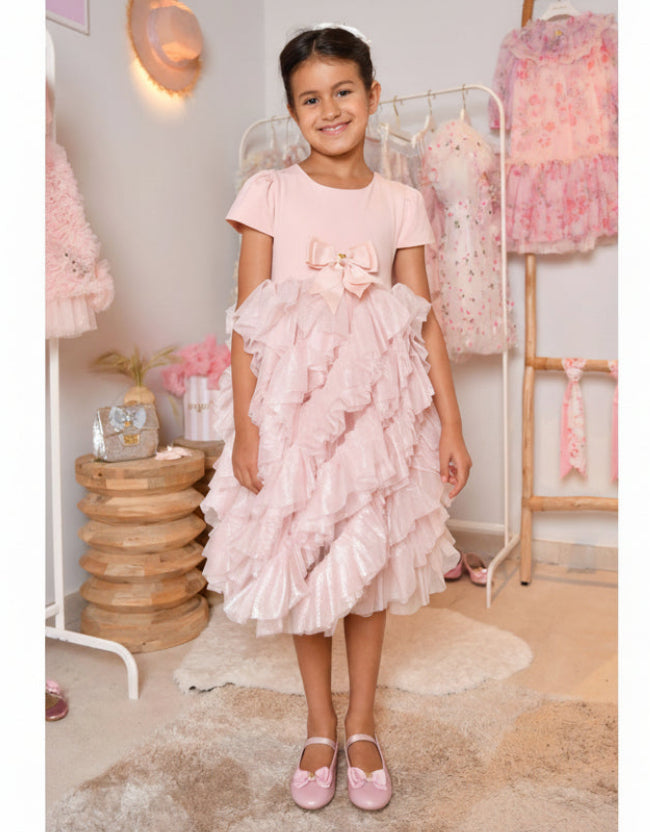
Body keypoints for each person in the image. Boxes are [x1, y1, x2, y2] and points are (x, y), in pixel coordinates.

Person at [201, 23, 472, 812]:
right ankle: (318, 724)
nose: (329, 110)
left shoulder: (401, 201)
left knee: (371, 565)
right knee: (307, 560)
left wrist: (450, 426)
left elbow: (424, 321)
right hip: (294, 414)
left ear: (372, 95)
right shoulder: (271, 193)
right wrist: (248, 427)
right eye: (310, 99)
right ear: (293, 112)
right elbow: (247, 318)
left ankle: (362, 724)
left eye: (343, 91)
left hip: (379, 416)